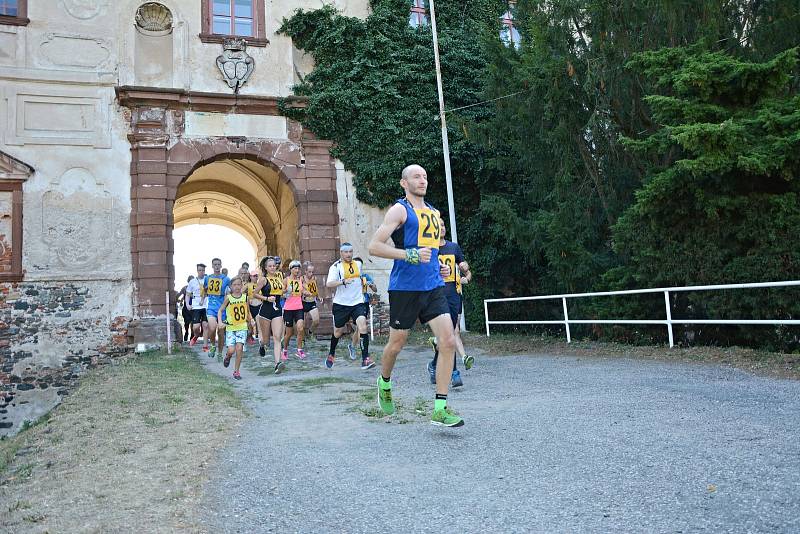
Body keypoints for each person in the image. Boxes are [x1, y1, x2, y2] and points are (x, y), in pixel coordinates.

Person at [367, 164, 463, 427]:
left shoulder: (434, 212)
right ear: (404, 183)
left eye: (424, 177)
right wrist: (407, 254)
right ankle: (384, 382)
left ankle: (440, 408)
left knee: (448, 341)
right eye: (416, 177)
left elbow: (431, 251)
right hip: (405, 289)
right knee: (396, 345)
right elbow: (374, 246)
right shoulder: (400, 210)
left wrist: (441, 266)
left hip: (433, 286)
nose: (422, 181)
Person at [427, 217, 473, 388]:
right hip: (436, 295)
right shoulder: (429, 250)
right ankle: (453, 373)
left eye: (444, 225)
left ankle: (433, 365)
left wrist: (465, 272)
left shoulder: (453, 247)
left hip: (454, 295)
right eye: (439, 226)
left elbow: (466, 269)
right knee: (450, 334)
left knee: (448, 336)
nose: (442, 228)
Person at [324, 243, 375, 371]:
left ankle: (365, 359)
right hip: (341, 304)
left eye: (350, 252)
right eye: (346, 252)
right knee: (338, 332)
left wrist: (368, 284)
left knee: (363, 326)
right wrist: (342, 282)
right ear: (341, 253)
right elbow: (329, 284)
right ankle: (331, 353)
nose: (348, 254)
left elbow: (361, 279)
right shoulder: (336, 267)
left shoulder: (358, 264)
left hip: (357, 302)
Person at [218, 277, 255, 380]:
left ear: (242, 285)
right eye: (234, 285)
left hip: (242, 327)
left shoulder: (245, 297)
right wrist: (220, 322)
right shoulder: (228, 298)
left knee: (239, 348)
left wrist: (251, 319)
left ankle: (236, 371)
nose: (237, 287)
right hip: (230, 327)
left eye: (239, 284)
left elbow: (247, 311)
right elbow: (220, 310)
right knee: (231, 350)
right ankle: (228, 356)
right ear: (231, 287)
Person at [256, 256, 286, 374]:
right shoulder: (263, 279)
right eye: (270, 266)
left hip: (277, 309)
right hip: (266, 310)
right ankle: (262, 345)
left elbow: (280, 292)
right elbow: (254, 294)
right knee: (266, 340)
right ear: (265, 267)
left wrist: (285, 293)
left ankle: (277, 364)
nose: (273, 267)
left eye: (274, 265)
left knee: (277, 337)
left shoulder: (279, 278)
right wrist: (266, 298)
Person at [350, 257, 376, 359]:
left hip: (364, 303)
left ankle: (353, 347)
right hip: (354, 304)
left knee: (360, 328)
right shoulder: (350, 277)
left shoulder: (365, 276)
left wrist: (371, 285)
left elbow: (375, 289)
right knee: (361, 327)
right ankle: (363, 352)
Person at [281, 260, 308, 360]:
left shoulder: (300, 280)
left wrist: (306, 292)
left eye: (298, 268)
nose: (297, 270)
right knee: (289, 333)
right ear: (291, 269)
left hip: (299, 307)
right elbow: (281, 293)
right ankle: (285, 350)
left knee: (300, 328)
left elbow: (303, 289)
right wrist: (286, 293)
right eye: (295, 268)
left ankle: (299, 350)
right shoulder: (286, 280)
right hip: (288, 309)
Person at [204, 258, 230, 358]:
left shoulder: (226, 279)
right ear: (212, 266)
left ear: (221, 265)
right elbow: (205, 291)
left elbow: (230, 290)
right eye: (215, 264)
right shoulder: (208, 278)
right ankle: (213, 345)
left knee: (221, 332)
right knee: (212, 327)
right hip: (211, 307)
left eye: (219, 264)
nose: (217, 266)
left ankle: (219, 352)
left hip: (222, 308)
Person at [186, 264, 209, 352]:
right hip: (196, 306)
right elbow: (187, 294)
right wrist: (188, 304)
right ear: (197, 271)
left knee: (205, 326)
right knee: (196, 327)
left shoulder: (207, 280)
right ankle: (196, 336)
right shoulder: (192, 281)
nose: (201, 272)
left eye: (203, 270)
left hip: (206, 305)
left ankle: (205, 346)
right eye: (199, 270)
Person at [301, 262, 321, 342]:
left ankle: (310, 332)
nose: (311, 273)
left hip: (312, 302)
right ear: (305, 271)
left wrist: (318, 296)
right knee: (303, 324)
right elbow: (298, 289)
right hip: (303, 302)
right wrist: (304, 291)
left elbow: (316, 289)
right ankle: (302, 339)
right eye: (309, 272)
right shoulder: (301, 278)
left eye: (312, 272)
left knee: (316, 321)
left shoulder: (314, 278)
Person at [246, 270, 261, 346]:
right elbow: (241, 292)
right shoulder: (248, 285)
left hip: (259, 304)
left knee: (259, 323)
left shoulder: (260, 284)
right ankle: (249, 337)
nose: (255, 277)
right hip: (250, 306)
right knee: (250, 324)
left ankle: (261, 340)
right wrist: (247, 298)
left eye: (256, 276)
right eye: (254, 276)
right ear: (250, 277)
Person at [177, 275, 194, 342]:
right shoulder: (185, 288)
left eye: (192, 281)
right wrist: (178, 301)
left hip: (194, 309)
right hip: (186, 309)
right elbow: (179, 295)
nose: (191, 282)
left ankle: (192, 338)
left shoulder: (196, 288)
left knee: (193, 324)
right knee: (186, 323)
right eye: (190, 281)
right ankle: (186, 333)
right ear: (188, 281)